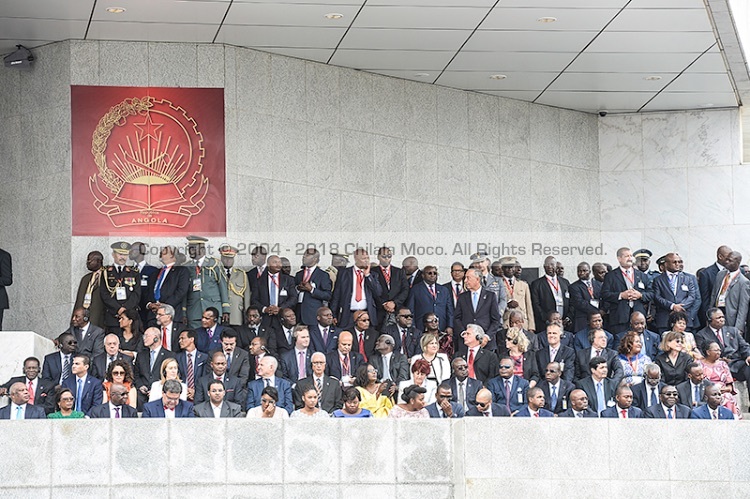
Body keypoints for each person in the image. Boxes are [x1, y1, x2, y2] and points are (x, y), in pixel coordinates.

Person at [695, 308, 750, 396]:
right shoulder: (701, 335)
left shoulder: (733, 331)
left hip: (735, 364)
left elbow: (744, 346)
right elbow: (702, 353)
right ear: (710, 320)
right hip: (716, 366)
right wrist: (718, 360)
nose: (722, 319)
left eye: (723, 317)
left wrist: (748, 355)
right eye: (718, 318)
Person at [601, 247, 653, 334]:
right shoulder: (611, 276)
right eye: (626, 256)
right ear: (619, 258)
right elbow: (604, 294)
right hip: (619, 318)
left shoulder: (642, 275)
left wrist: (640, 295)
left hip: (638, 317)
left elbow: (651, 293)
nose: (630, 258)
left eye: (631, 256)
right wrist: (621, 295)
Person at [185, 236, 230, 328]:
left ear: (202, 249)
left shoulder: (214, 264)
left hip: (213, 308)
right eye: (189, 248)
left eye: (193, 248)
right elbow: (184, 292)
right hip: (194, 310)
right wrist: (183, 311)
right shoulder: (186, 267)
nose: (190, 251)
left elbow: (223, 287)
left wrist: (226, 309)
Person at [453, 268, 501, 355]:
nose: (465, 281)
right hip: (466, 344)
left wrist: (486, 337)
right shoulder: (462, 297)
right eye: (465, 278)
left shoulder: (490, 296)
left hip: (486, 344)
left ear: (478, 279)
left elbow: (496, 320)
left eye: (468, 278)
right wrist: (464, 333)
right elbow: (456, 318)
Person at [100, 241, 141, 334]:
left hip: (129, 316)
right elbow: (104, 294)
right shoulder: (106, 272)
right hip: (112, 316)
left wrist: (125, 308)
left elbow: (137, 294)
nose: (123, 257)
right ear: (113, 254)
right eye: (120, 254)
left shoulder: (134, 272)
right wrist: (118, 308)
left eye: (125, 254)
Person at [144, 245, 190, 327]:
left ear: (172, 255)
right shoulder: (155, 273)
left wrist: (164, 307)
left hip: (170, 314)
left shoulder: (181, 270)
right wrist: (150, 304)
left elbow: (181, 291)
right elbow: (148, 291)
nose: (161, 252)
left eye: (165, 251)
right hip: (153, 316)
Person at [251, 254, 298, 330]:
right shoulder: (259, 281)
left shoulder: (288, 280)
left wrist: (281, 308)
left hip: (282, 318)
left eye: (279, 262)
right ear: (268, 265)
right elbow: (254, 299)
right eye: (275, 262)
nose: (278, 264)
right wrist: (264, 309)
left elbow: (294, 298)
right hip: (265, 319)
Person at [134, 327, 176, 408]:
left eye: (147, 336)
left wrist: (156, 390)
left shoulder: (170, 355)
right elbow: (136, 374)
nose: (144, 338)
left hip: (161, 396)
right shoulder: (141, 355)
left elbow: (171, 376)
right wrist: (140, 385)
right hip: (141, 397)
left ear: (156, 338)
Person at [407, 265, 453, 335]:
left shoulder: (444, 290)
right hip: (421, 328)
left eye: (435, 273)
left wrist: (450, 326)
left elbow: (449, 310)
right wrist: (413, 327)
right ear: (423, 275)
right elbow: (411, 310)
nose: (432, 275)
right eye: (429, 273)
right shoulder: (415, 289)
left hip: (441, 328)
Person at [370, 246, 409, 329]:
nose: (386, 259)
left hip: (396, 310)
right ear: (378, 257)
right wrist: (384, 303)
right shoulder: (372, 271)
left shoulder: (399, 272)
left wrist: (394, 303)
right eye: (384, 256)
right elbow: (371, 290)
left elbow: (405, 289)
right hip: (378, 310)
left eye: (389, 256)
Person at [711, 250, 749, 332]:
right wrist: (710, 314)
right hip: (716, 312)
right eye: (726, 259)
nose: (726, 262)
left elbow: (743, 307)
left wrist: (738, 328)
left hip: (730, 317)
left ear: (737, 263)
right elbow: (714, 295)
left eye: (730, 260)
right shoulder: (720, 274)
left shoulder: (743, 282)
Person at [700, 341, 742, 417]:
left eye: (719, 350)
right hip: (705, 392)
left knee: (727, 397)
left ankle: (731, 420)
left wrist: (721, 391)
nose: (719, 352)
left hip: (722, 392)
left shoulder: (723, 364)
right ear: (708, 352)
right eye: (716, 350)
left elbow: (730, 387)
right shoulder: (699, 364)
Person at [530, 256, 571, 331]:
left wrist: (568, 317)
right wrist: (547, 319)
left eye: (552, 264)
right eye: (547, 265)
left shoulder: (565, 282)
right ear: (544, 267)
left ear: (556, 266)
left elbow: (571, 301)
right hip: (545, 324)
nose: (549, 267)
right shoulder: (537, 284)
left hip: (564, 323)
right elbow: (536, 304)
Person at [697, 245, 732, 329]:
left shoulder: (734, 271)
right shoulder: (706, 273)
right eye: (728, 257)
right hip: (715, 315)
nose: (731, 260)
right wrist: (707, 317)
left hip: (731, 314)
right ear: (720, 256)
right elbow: (705, 299)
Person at [219, 245, 252, 328]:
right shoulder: (217, 272)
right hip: (220, 312)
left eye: (230, 258)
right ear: (221, 258)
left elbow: (246, 297)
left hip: (237, 314)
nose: (228, 261)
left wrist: (247, 314)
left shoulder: (241, 274)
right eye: (225, 258)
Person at [498, 256, 535, 331]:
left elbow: (529, 306)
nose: (510, 270)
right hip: (506, 322)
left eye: (512, 267)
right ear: (502, 269)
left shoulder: (523, 285)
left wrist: (531, 327)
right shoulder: (498, 284)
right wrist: (506, 305)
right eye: (507, 267)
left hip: (522, 323)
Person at [73, 250, 105, 329]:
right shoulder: (85, 278)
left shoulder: (107, 277)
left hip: (99, 318)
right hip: (83, 317)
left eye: (91, 260)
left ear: (99, 261)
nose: (88, 262)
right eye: (88, 260)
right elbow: (78, 301)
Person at [568, 262, 602, 332]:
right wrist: (596, 311)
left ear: (589, 271)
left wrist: (603, 309)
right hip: (582, 320)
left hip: (598, 320)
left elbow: (604, 298)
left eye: (584, 270)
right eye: (579, 271)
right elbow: (579, 303)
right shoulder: (574, 287)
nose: (581, 273)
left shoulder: (599, 284)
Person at [175, 328, 208, 401]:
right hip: (181, 395)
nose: (180, 341)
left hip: (199, 396)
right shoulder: (177, 357)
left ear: (191, 339)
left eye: (182, 338)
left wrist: (195, 391)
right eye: (179, 339)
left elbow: (205, 377)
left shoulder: (204, 357)